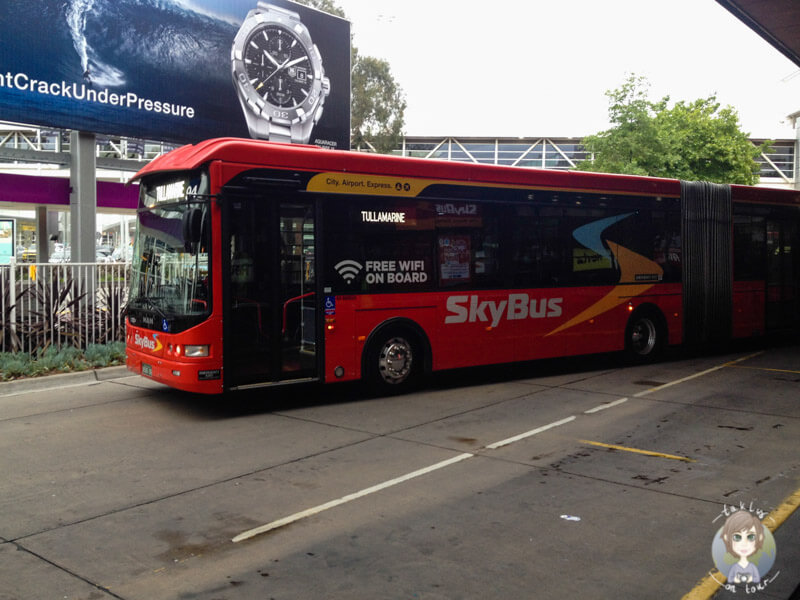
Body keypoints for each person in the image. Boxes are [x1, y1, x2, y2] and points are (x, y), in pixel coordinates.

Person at [722, 511, 765, 584]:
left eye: (751, 537)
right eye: (737, 537)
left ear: (760, 537)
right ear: (727, 538)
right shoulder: (735, 567)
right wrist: (735, 579)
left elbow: (756, 578)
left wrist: (751, 578)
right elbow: (730, 579)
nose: (744, 544)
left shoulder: (752, 567)